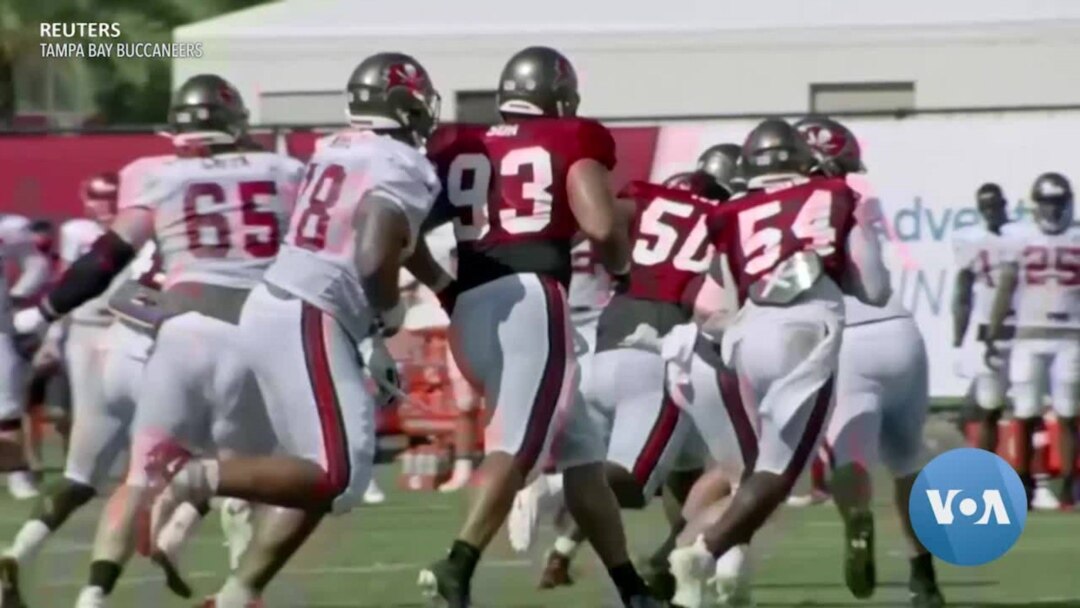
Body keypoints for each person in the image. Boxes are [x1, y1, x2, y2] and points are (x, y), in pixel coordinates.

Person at [143, 53, 452, 608]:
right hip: (313, 310)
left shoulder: (339, 146)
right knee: (338, 473)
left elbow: (397, 233)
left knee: (320, 474)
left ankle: (240, 592)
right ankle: (193, 477)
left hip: (283, 302)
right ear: (404, 103)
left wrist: (439, 282)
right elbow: (376, 243)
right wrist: (381, 327)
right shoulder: (404, 162)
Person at [14, 74, 303, 608]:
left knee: (130, 477)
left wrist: (43, 313)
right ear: (237, 122)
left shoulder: (157, 178)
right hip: (243, 333)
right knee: (269, 469)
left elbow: (105, 260)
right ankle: (239, 585)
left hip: (152, 335)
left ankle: (89, 597)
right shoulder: (285, 171)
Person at [421, 46, 659, 608]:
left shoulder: (460, 147)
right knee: (516, 445)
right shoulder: (573, 136)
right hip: (531, 300)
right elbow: (601, 223)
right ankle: (459, 561)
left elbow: (402, 231)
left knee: (581, 456)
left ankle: (631, 589)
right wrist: (623, 268)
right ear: (561, 97)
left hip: (470, 304)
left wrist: (440, 287)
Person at [666, 118, 891, 608]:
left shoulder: (732, 211)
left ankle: (718, 569)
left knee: (744, 467)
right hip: (805, 331)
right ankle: (701, 554)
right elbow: (874, 288)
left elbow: (713, 302)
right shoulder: (834, 193)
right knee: (776, 472)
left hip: (742, 338)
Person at [529, 145, 742, 597]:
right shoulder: (729, 219)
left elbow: (597, 214)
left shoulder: (649, 201)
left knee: (682, 468)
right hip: (662, 352)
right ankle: (549, 488)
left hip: (607, 339)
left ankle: (676, 566)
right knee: (634, 484)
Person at [796, 115, 944, 607]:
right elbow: (876, 281)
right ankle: (923, 575)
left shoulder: (774, 207)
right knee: (908, 465)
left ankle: (857, 518)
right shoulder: (859, 201)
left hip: (843, 338)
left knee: (849, 458)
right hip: (897, 330)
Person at [986, 172, 1080, 509]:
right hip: (1028, 334)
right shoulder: (1019, 239)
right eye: (1047, 203)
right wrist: (994, 331)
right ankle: (1022, 484)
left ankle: (1069, 485)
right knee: (1024, 411)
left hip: (1071, 336)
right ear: (1036, 204)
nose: (1052, 210)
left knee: (1068, 412)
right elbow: (1006, 288)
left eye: (1058, 203)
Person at [951, 182, 1018, 454]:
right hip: (988, 332)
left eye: (995, 205)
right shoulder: (970, 243)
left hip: (1025, 329)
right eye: (985, 207)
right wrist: (958, 336)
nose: (991, 211)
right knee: (979, 409)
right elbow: (963, 293)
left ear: (1005, 204)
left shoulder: (1021, 237)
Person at [0, 214, 51, 501]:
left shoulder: (8, 229)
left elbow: (37, 264)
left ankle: (18, 472)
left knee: (6, 408)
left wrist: (18, 295)